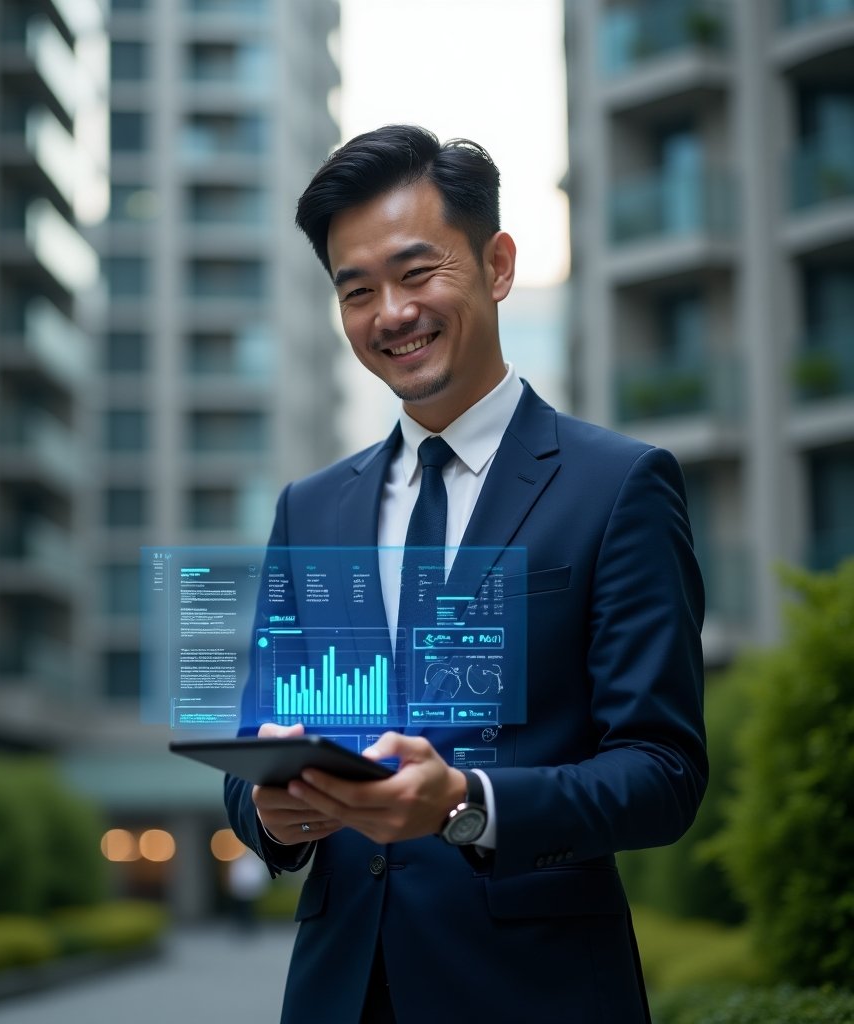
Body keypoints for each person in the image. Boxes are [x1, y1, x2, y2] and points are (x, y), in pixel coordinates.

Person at [224, 125, 707, 1024]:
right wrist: (269, 814)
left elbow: (662, 772)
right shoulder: (310, 511)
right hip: (338, 992)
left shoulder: (619, 487)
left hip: (535, 992)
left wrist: (468, 802)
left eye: (417, 274)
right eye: (357, 291)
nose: (390, 313)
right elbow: (256, 741)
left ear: (498, 265)